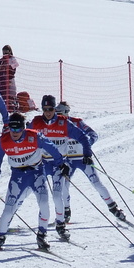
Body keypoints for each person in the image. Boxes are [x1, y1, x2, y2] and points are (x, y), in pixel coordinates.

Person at [0, 112, 69, 250]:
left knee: (44, 204)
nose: (14, 132)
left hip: (36, 174)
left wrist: (61, 164)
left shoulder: (34, 136)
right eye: (12, 128)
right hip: (18, 176)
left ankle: (42, 235)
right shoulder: (4, 140)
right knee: (9, 209)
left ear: (23, 128)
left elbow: (52, 147)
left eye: (18, 129)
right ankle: (0, 237)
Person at [28, 95, 92, 240]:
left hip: (59, 165)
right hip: (42, 164)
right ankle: (4, 219)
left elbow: (82, 137)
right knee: (26, 190)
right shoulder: (36, 122)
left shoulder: (63, 122)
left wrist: (87, 153)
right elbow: (25, 136)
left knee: (57, 195)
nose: (48, 112)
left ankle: (60, 225)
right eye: (45, 109)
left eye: (50, 109)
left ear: (55, 109)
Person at [55, 101, 127, 224]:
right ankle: (66, 211)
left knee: (96, 183)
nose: (57, 116)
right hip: (68, 160)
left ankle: (113, 207)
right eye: (56, 113)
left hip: (83, 158)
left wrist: (87, 145)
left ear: (66, 112)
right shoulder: (55, 124)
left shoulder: (77, 122)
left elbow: (93, 134)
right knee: (63, 186)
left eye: (60, 113)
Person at [0, 45, 19, 110]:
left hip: (10, 78)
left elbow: (16, 65)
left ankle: (12, 104)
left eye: (6, 53)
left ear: (10, 52)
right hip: (3, 78)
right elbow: (1, 67)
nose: (5, 55)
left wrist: (8, 66)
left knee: (11, 92)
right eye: (4, 53)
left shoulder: (12, 59)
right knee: (2, 91)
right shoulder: (2, 60)